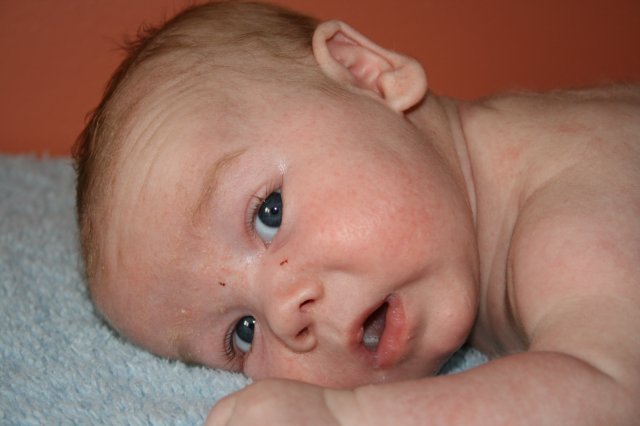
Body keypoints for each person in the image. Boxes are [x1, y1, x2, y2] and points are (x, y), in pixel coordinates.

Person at [73, 1, 640, 424]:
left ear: (367, 74)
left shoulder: (573, 214)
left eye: (269, 212)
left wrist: (350, 417)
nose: (284, 311)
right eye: (242, 335)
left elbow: (616, 393)